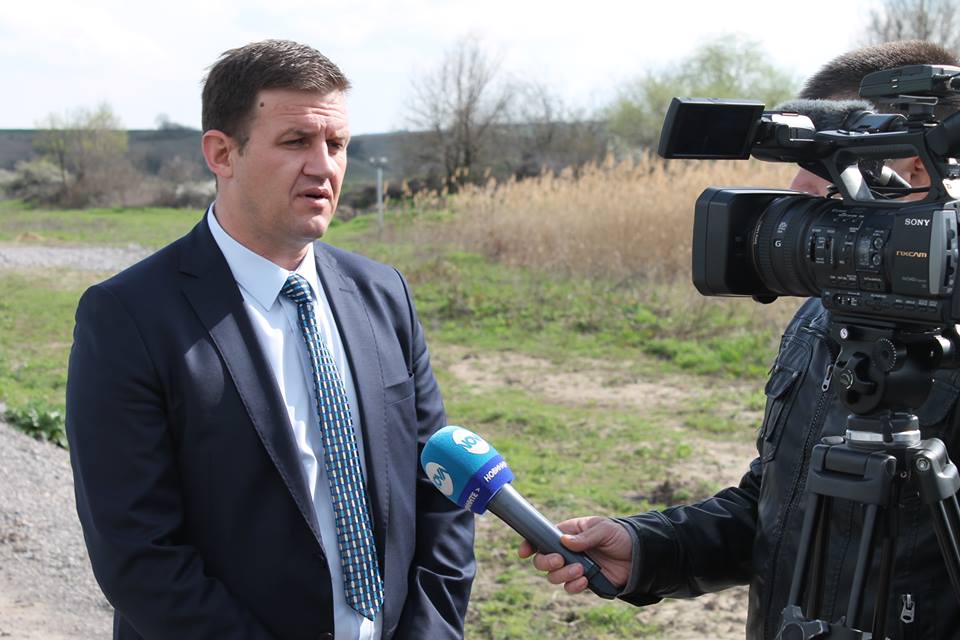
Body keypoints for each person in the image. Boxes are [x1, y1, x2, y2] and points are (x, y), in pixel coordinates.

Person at [519, 40, 960, 639]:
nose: (798, 186)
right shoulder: (825, 316)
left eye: (830, 160)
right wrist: (647, 548)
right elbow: (774, 510)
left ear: (918, 165)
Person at [66, 39, 474, 640]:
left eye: (336, 144)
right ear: (222, 154)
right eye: (296, 141)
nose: (324, 166)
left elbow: (440, 489)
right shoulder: (128, 317)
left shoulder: (384, 295)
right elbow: (138, 553)